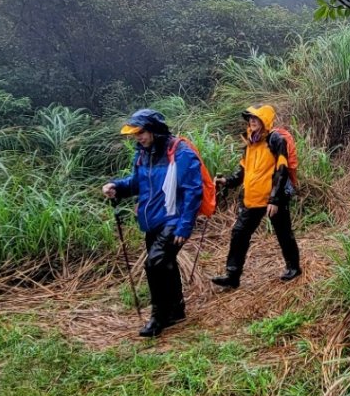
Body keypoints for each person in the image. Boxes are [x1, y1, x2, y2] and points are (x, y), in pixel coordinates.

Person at [102, 108, 203, 337]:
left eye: (142, 132)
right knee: (165, 264)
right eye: (135, 133)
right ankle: (177, 311)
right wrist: (117, 186)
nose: (138, 137)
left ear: (155, 130)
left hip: (173, 219)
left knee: (154, 264)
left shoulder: (180, 152)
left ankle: (158, 318)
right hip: (152, 221)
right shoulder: (141, 154)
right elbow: (136, 184)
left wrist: (184, 226)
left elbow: (193, 191)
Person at [211, 104, 301, 289]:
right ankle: (232, 275)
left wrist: (275, 199)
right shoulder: (251, 142)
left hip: (272, 198)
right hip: (252, 199)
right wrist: (226, 182)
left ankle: (294, 268)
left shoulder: (275, 139)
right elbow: (243, 171)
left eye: (256, 118)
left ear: (264, 121)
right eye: (250, 118)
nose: (252, 121)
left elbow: (281, 170)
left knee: (283, 233)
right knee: (239, 233)